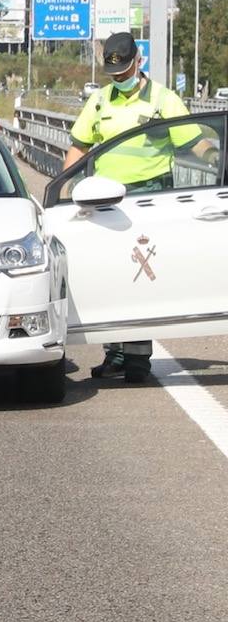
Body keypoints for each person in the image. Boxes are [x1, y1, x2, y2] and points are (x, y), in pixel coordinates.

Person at [63, 31, 217, 382]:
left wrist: (217, 158)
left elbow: (195, 144)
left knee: (139, 278)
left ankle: (136, 360)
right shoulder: (101, 101)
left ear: (139, 61)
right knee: (108, 277)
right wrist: (64, 187)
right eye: (113, 74)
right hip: (103, 200)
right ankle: (114, 353)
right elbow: (79, 146)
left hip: (148, 199)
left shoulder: (164, 101)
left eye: (124, 71)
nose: (119, 79)